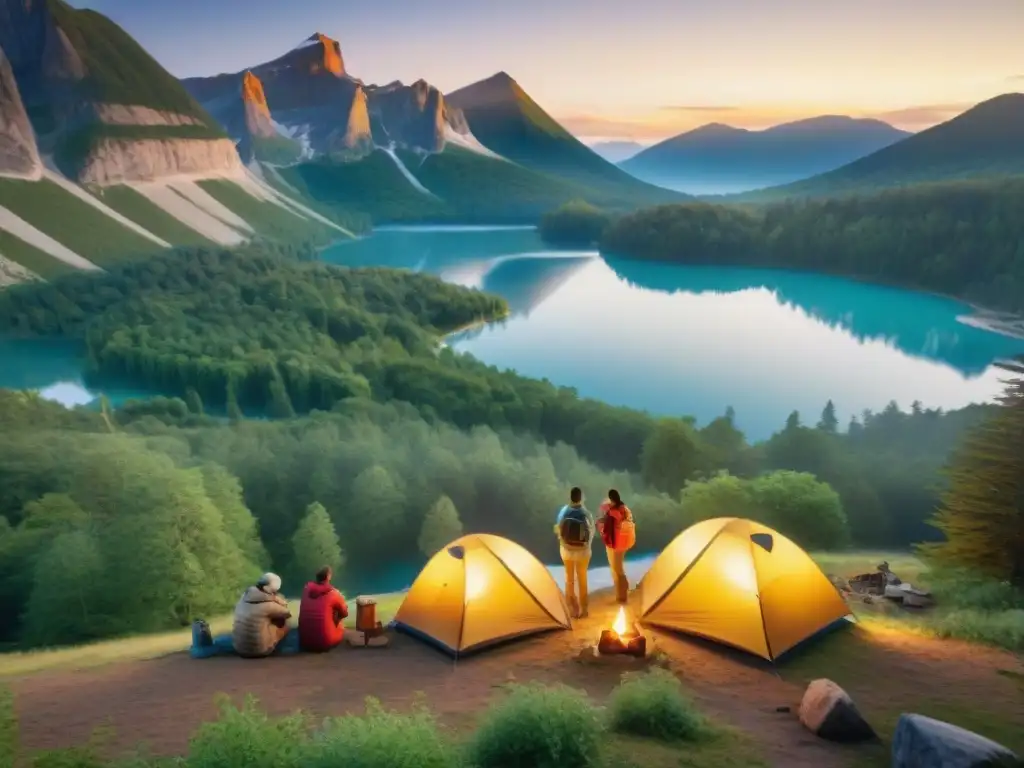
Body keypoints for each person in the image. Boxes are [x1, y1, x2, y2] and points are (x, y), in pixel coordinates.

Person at [555, 486, 594, 619]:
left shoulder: (563, 512)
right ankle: (584, 610)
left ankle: (572, 610)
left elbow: (558, 530)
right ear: (581, 498)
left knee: (569, 580)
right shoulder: (586, 513)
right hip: (583, 552)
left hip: (567, 551)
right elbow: (591, 532)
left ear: (570, 497)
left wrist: (564, 542)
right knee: (582, 579)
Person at [232, 572, 292, 658]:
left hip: (239, 649)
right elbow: (287, 613)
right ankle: (278, 649)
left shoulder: (243, 598)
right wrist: (280, 601)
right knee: (285, 622)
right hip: (260, 651)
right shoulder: (269, 606)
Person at [298, 565, 349, 652]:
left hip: (304, 641)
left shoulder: (306, 589)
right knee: (339, 615)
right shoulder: (334, 593)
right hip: (325, 642)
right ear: (328, 576)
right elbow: (345, 613)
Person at [598, 489, 635, 604]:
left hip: (614, 543)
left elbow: (605, 527)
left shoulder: (612, 512)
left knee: (617, 569)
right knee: (618, 568)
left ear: (611, 499)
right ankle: (621, 593)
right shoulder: (625, 509)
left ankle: (623, 595)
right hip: (623, 542)